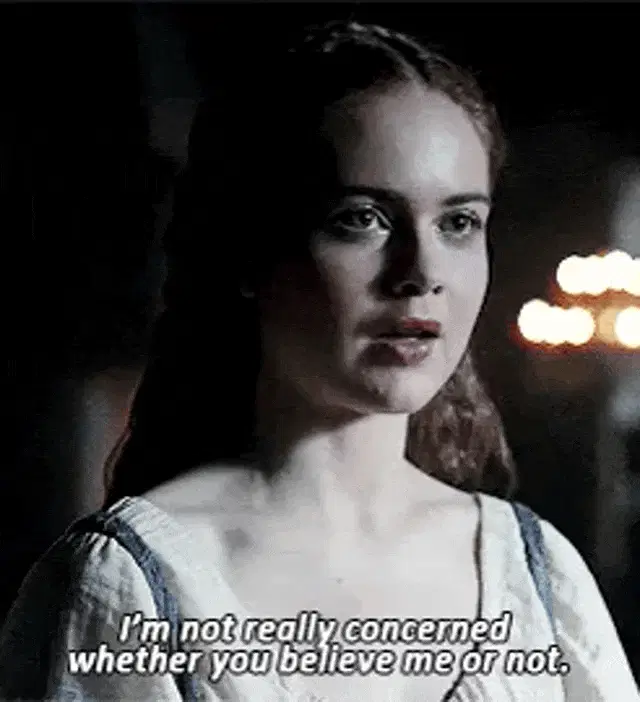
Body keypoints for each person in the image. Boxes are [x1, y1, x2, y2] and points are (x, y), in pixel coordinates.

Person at [0, 19, 637, 702]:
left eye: (457, 223)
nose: (421, 273)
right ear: (250, 247)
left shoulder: (536, 577)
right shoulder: (132, 583)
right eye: (362, 218)